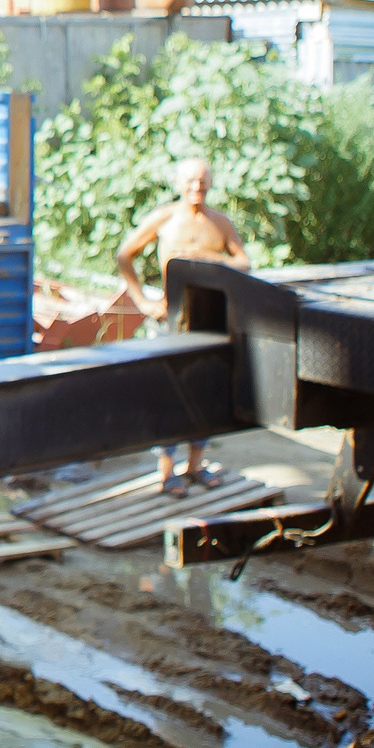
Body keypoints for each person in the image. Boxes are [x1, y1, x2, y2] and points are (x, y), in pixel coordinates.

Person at [115, 156, 251, 495]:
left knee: (205, 389)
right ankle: (166, 470)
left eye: (203, 182)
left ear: (210, 184)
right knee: (167, 392)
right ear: (178, 184)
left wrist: (214, 258)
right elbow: (124, 254)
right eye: (190, 182)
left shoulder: (219, 223)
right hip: (168, 318)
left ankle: (195, 465)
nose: (197, 188)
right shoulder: (165, 218)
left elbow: (244, 262)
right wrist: (142, 301)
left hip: (208, 321)